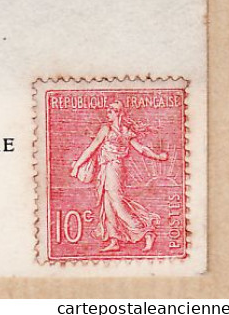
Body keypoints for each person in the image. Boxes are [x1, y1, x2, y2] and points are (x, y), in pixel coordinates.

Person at [70, 100, 169, 252]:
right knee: (107, 204)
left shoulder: (120, 130)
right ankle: (114, 240)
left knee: (117, 203)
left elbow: (141, 149)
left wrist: (158, 157)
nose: (107, 113)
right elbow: (92, 148)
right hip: (106, 169)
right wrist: (78, 164)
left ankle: (146, 232)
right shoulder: (108, 129)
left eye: (111, 110)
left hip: (115, 169)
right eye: (108, 110)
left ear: (118, 113)